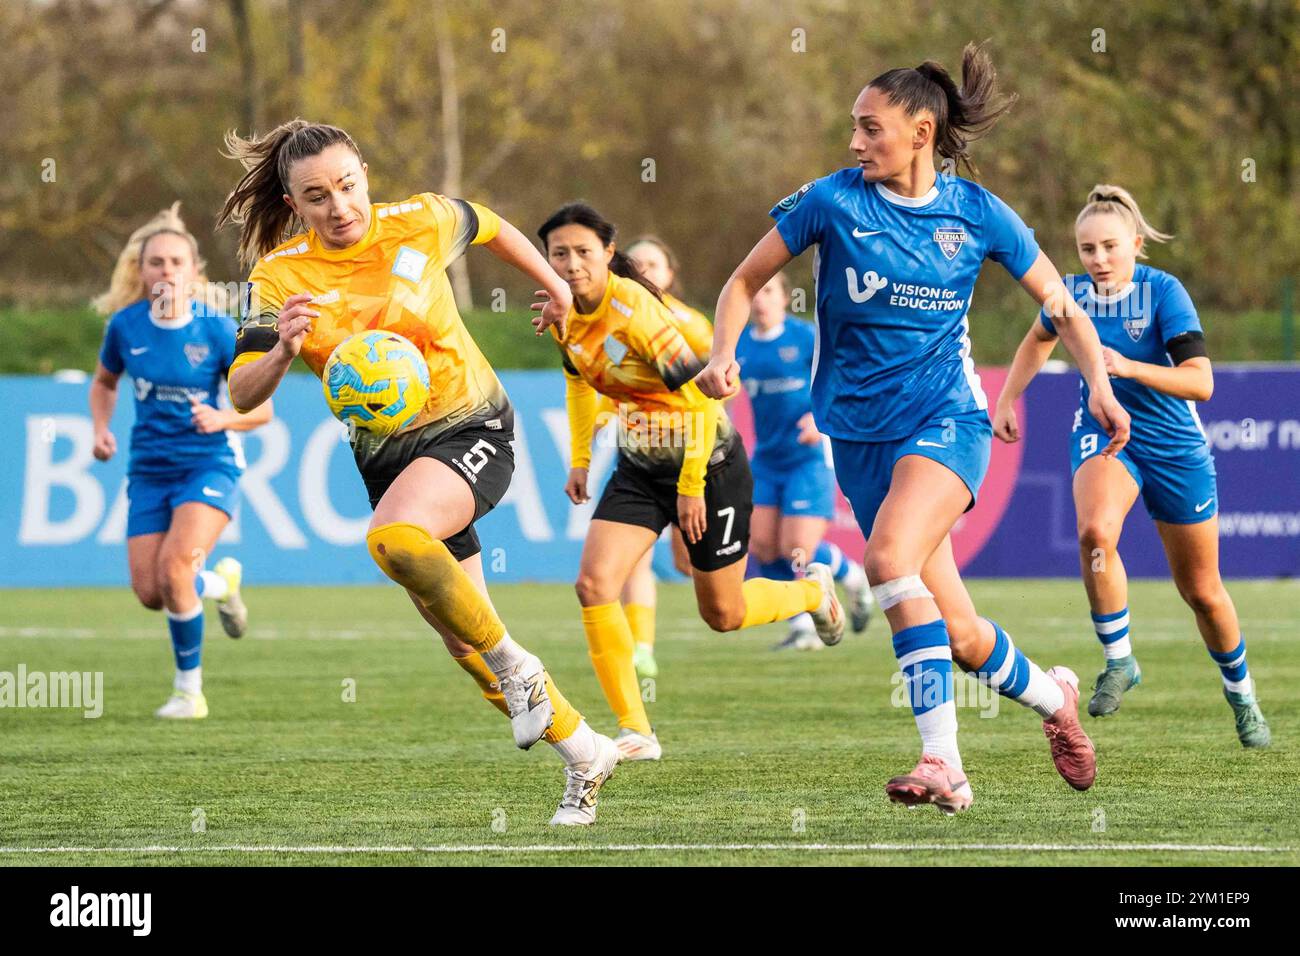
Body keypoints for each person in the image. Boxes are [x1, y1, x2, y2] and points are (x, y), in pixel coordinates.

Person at [698, 43, 1127, 813]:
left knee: (887, 556)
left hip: (946, 419)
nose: (855, 143)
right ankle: (1055, 697)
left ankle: (942, 763)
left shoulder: (978, 213)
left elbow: (1061, 305)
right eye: (854, 129)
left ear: (921, 132)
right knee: (959, 633)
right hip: (857, 437)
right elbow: (743, 281)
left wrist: (1098, 381)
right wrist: (724, 349)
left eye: (870, 128)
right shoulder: (830, 202)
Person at [217, 119, 618, 825]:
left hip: (472, 426)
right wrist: (282, 350)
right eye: (317, 197)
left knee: (394, 539)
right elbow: (242, 391)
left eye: (347, 185)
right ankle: (586, 751)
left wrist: (557, 286)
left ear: (365, 172)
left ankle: (523, 669)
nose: (339, 206)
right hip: (389, 459)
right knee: (467, 643)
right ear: (294, 201)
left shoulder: (421, 220)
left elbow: (492, 226)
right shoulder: (278, 278)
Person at [541, 202, 844, 763]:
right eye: (560, 253)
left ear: (609, 254)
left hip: (708, 466)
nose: (572, 264)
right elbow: (579, 381)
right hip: (639, 465)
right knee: (593, 584)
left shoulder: (639, 314)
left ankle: (812, 592)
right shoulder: (564, 312)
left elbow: (704, 399)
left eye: (583, 251)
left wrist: (689, 486)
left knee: (722, 614)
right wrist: (581, 459)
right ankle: (636, 731)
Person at [994, 184, 1270, 748]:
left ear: (1136, 244)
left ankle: (1242, 696)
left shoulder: (1164, 291)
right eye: (1087, 248)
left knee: (1202, 590)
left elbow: (1202, 382)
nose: (1097, 259)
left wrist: (1130, 368)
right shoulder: (1070, 295)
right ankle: (1119, 661)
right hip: (1104, 434)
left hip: (1173, 444)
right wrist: (1006, 398)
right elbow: (1037, 342)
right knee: (1096, 530)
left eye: (1109, 247)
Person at [90, 203, 269, 719]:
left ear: (194, 272)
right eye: (156, 262)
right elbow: (104, 384)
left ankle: (189, 693)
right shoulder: (125, 328)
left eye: (176, 262)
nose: (166, 271)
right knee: (151, 592)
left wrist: (223, 420)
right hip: (148, 471)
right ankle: (221, 585)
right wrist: (101, 430)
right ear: (140, 271)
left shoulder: (216, 330)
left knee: (174, 568)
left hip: (207, 466)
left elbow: (262, 411)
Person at [735, 271, 874, 650]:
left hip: (808, 458)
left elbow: (843, 374)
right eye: (755, 293)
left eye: (768, 291)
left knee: (797, 548)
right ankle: (802, 627)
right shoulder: (740, 345)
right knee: (762, 546)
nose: (760, 300)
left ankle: (852, 576)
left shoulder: (804, 338)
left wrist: (820, 416)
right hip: (767, 458)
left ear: (785, 297)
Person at [610, 235, 713, 679]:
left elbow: (713, 395)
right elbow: (607, 377)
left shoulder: (690, 325)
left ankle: (802, 596)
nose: (645, 269)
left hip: (692, 455)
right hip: (639, 456)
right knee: (634, 557)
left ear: (670, 274)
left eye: (654, 262)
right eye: (638, 263)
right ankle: (641, 649)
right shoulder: (617, 325)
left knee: (690, 566)